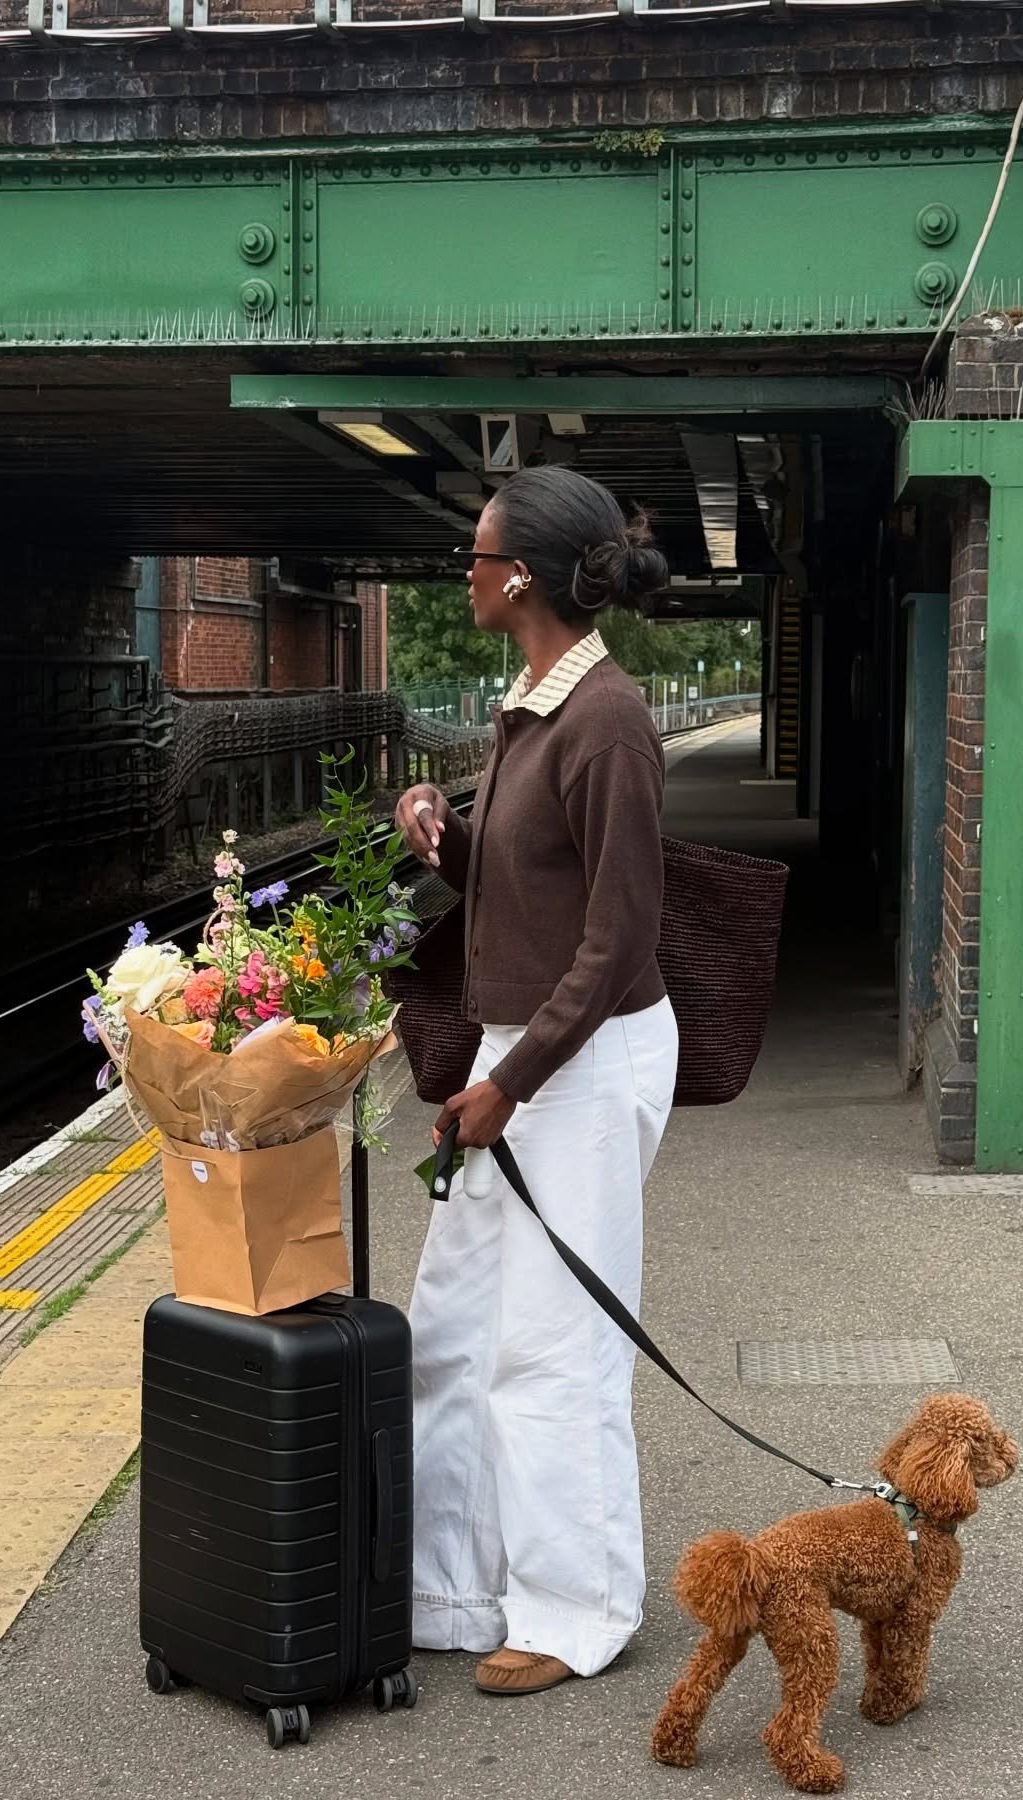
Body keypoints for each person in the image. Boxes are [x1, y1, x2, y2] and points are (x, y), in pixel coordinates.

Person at [395, 465, 678, 1697]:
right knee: (455, 1330)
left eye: (474, 554)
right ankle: (458, 1590)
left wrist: (507, 1081)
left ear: (518, 577)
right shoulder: (535, 701)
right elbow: (533, 890)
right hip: (521, 1059)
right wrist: (448, 843)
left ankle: (578, 1610)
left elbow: (616, 938)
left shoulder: (606, 718)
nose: (464, 572)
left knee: (555, 1347)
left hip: (580, 1059)